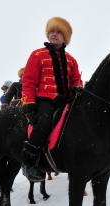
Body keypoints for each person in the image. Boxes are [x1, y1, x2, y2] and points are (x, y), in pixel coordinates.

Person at [21, 17, 83, 180]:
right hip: (45, 100)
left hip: (66, 100)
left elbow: (76, 79)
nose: (54, 34)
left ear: (65, 38)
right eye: (52, 31)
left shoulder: (71, 59)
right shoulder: (37, 55)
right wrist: (29, 104)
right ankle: (30, 162)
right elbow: (28, 81)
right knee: (44, 123)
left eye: (58, 32)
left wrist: (77, 88)